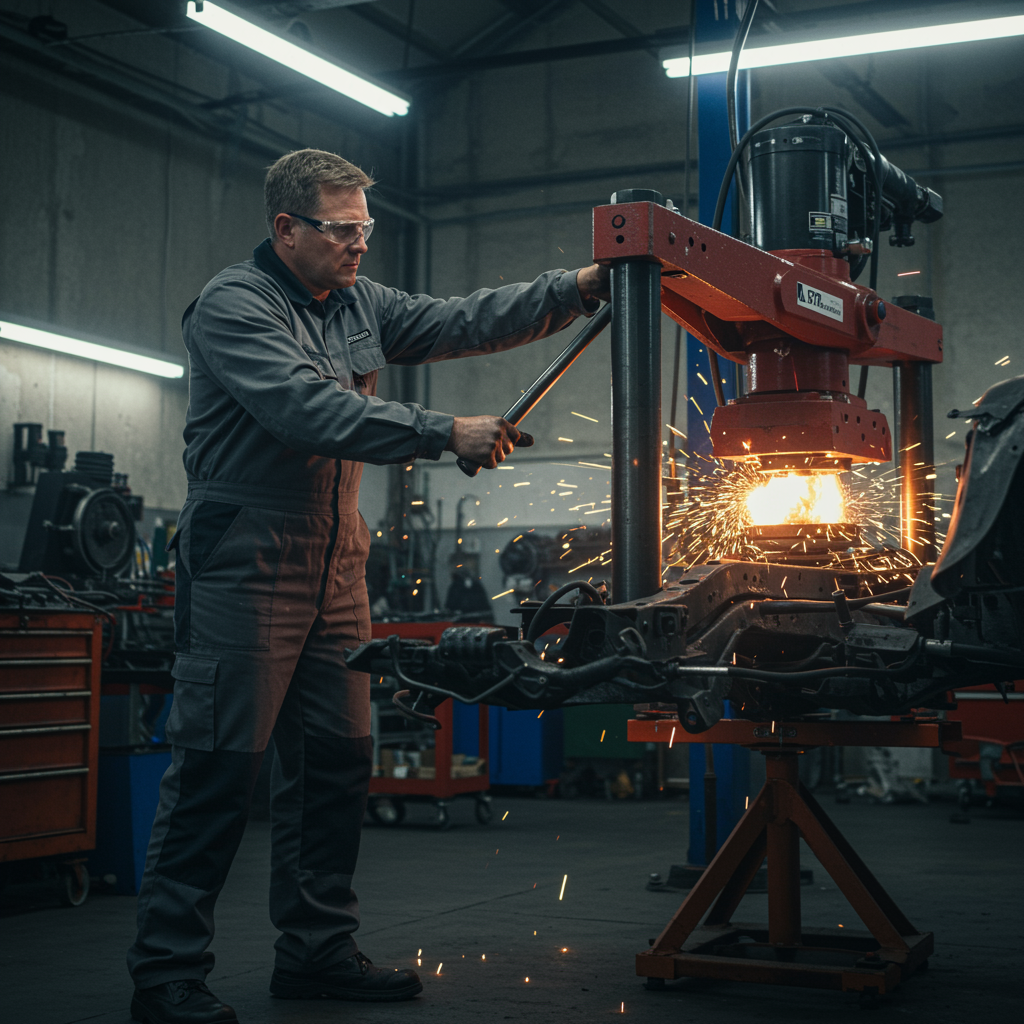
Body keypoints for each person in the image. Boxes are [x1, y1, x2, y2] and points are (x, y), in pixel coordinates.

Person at [127, 148, 609, 1024]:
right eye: (343, 230)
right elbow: (303, 407)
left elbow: (462, 319)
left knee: (335, 766)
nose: (359, 246)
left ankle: (315, 951)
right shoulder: (234, 305)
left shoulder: (359, 301)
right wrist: (442, 431)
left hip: (335, 558)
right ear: (287, 228)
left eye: (366, 230)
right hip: (246, 555)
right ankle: (165, 973)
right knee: (215, 770)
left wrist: (575, 287)